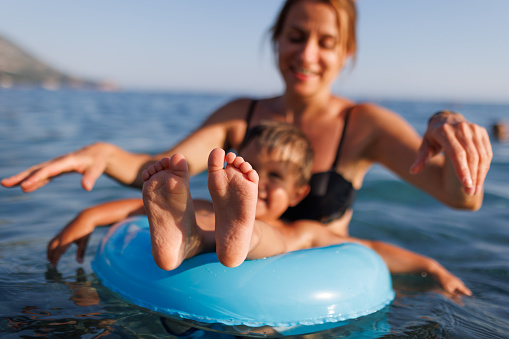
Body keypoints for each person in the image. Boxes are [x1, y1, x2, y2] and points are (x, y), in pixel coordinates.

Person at [3, 0, 491, 266]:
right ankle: (193, 240)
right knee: (193, 206)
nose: (307, 55)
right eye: (296, 37)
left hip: (315, 266)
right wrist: (105, 154)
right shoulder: (243, 113)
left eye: (327, 42)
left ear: (347, 53)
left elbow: (463, 200)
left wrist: (445, 125)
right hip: (228, 267)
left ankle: (212, 238)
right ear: (276, 40)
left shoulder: (364, 125)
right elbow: (167, 169)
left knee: (286, 235)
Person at [48, 122, 472, 295]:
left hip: (263, 243)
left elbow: (370, 248)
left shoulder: (303, 228)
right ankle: (188, 235)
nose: (265, 182)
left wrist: (431, 267)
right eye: (254, 171)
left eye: (277, 177)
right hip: (208, 236)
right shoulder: (203, 205)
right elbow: (128, 212)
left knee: (277, 236)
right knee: (199, 213)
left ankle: (220, 237)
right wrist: (89, 216)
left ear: (300, 192)